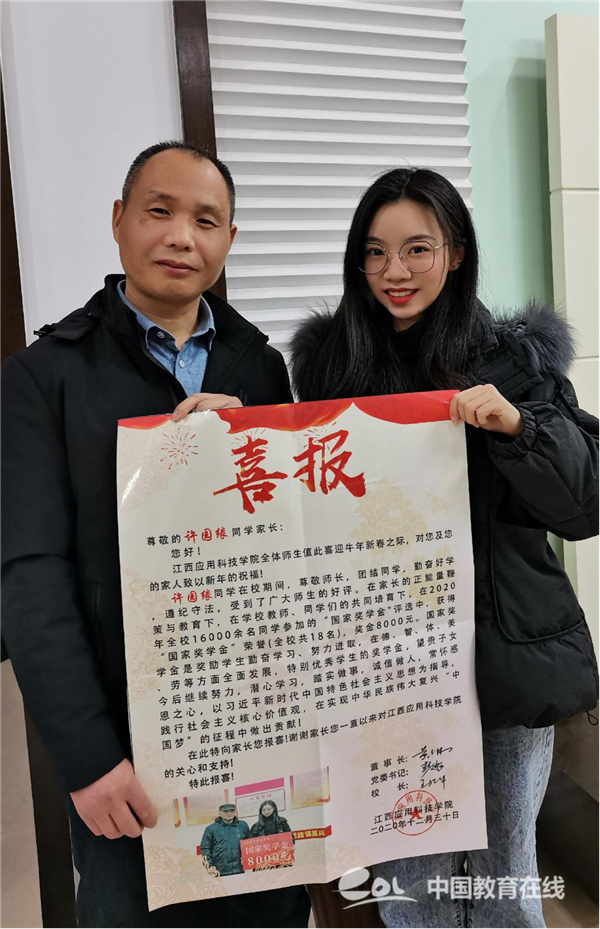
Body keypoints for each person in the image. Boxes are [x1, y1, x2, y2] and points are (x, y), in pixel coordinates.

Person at [2, 140, 310, 929]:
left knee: (267, 914)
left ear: (229, 239)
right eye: (159, 211)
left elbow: (293, 542)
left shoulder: (260, 368)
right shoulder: (43, 376)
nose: (181, 237)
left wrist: (253, 442)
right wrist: (88, 756)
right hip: (125, 749)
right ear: (119, 220)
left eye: (205, 220)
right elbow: (30, 577)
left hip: (254, 728)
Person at [290, 167, 598, 929]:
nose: (394, 271)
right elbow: (300, 509)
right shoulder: (332, 370)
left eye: (417, 248)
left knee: (502, 880)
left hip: (499, 666)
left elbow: (585, 503)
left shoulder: (515, 364)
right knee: (410, 878)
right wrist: (219, 435)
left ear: (456, 253)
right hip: (385, 671)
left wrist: (520, 429)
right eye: (375, 251)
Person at [201, 804, 250, 877]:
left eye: (231, 811)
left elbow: (249, 843)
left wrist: (248, 859)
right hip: (220, 870)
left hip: (240, 869)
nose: (229, 813)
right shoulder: (211, 829)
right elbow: (205, 848)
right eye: (226, 811)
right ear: (220, 813)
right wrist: (210, 866)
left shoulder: (243, 826)